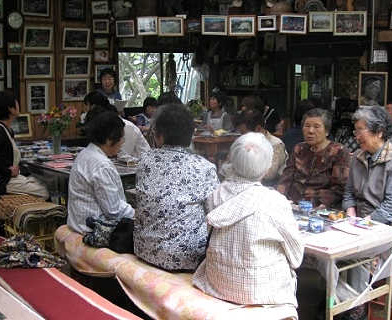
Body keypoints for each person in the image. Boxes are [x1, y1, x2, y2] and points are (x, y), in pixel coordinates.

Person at [192, 132, 304, 308]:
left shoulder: (215, 194)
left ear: (232, 164)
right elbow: (296, 257)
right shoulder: (275, 201)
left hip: (217, 282)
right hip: (262, 291)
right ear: (267, 169)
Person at [341, 106, 392, 320]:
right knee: (335, 250)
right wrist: (352, 213)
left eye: (360, 130)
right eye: (355, 131)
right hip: (361, 220)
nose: (357, 136)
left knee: (360, 253)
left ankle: (356, 308)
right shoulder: (358, 157)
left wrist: (366, 223)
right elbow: (349, 192)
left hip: (388, 223)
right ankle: (338, 300)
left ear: (379, 131)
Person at [134, 103, 219, 271]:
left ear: (161, 135)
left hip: (144, 250)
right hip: (186, 259)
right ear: (190, 134)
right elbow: (215, 213)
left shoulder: (145, 160)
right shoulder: (203, 167)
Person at [67, 108, 134, 234]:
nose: (121, 144)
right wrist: (135, 212)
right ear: (110, 140)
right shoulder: (102, 165)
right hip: (94, 229)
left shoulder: (85, 153)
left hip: (78, 222)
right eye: (121, 139)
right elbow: (113, 211)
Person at [0, 90, 49, 200]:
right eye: (15, 102)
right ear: (10, 109)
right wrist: (8, 171)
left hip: (7, 177)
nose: (18, 105)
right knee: (44, 191)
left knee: (42, 182)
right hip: (1, 180)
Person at [277, 108, 351, 209]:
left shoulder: (339, 151)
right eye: (307, 126)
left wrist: (321, 206)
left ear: (327, 131)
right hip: (293, 204)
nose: (310, 131)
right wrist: (278, 200)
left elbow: (339, 188)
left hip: (321, 207)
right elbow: (286, 179)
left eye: (316, 127)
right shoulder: (299, 148)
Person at [219, 109, 288, 186]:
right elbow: (232, 170)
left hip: (266, 187)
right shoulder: (244, 143)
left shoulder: (276, 144)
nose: (242, 136)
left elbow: (269, 174)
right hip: (241, 184)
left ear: (258, 129)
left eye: (243, 132)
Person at [84, 91, 150, 159]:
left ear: (93, 106)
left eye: (87, 106)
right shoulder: (109, 124)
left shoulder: (126, 127)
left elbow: (123, 157)